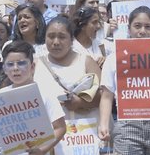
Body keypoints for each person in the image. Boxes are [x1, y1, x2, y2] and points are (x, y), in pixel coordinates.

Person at [98, 6, 150, 154]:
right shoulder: (114, 58)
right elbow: (107, 96)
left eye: (148, 27)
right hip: (127, 125)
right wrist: (103, 124)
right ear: (128, 29)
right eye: (137, 26)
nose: (142, 31)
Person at [0, 41, 66, 154]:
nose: (15, 68)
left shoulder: (45, 93)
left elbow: (60, 128)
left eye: (21, 63)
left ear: (32, 66)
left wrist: (42, 150)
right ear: (4, 69)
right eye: (10, 64)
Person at [35, 15, 101, 154]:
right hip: (51, 140)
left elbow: (104, 96)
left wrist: (80, 102)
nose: (56, 42)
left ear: (71, 40)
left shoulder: (86, 61)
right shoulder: (35, 65)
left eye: (62, 37)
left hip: (86, 137)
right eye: (51, 36)